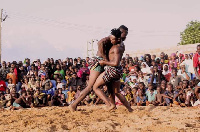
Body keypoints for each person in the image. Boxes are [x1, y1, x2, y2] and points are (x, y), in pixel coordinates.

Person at [69, 27, 123, 111]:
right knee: (91, 87)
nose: (112, 40)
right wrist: (105, 58)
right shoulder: (107, 40)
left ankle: (112, 105)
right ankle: (74, 104)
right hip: (99, 62)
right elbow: (100, 43)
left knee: (109, 86)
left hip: (105, 63)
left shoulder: (118, 43)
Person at [93, 28, 133, 112]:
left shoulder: (116, 48)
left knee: (95, 87)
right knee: (116, 92)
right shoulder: (121, 45)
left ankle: (110, 104)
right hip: (117, 71)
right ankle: (130, 109)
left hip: (112, 70)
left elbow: (115, 63)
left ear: (118, 39)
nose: (110, 41)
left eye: (112, 39)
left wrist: (104, 62)